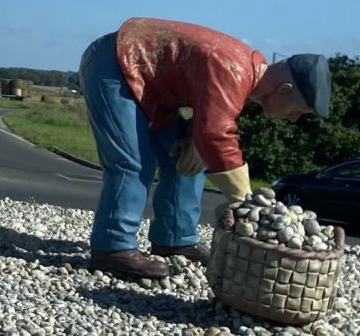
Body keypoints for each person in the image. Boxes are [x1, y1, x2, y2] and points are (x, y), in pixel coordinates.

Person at [77, 17, 329, 280]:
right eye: (298, 111)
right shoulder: (235, 69)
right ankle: (112, 247)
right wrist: (246, 201)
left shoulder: (242, 72)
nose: (294, 119)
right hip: (117, 65)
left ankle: (175, 238)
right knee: (132, 163)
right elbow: (216, 134)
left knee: (189, 160)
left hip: (152, 86)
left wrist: (193, 136)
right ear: (284, 89)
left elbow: (207, 109)